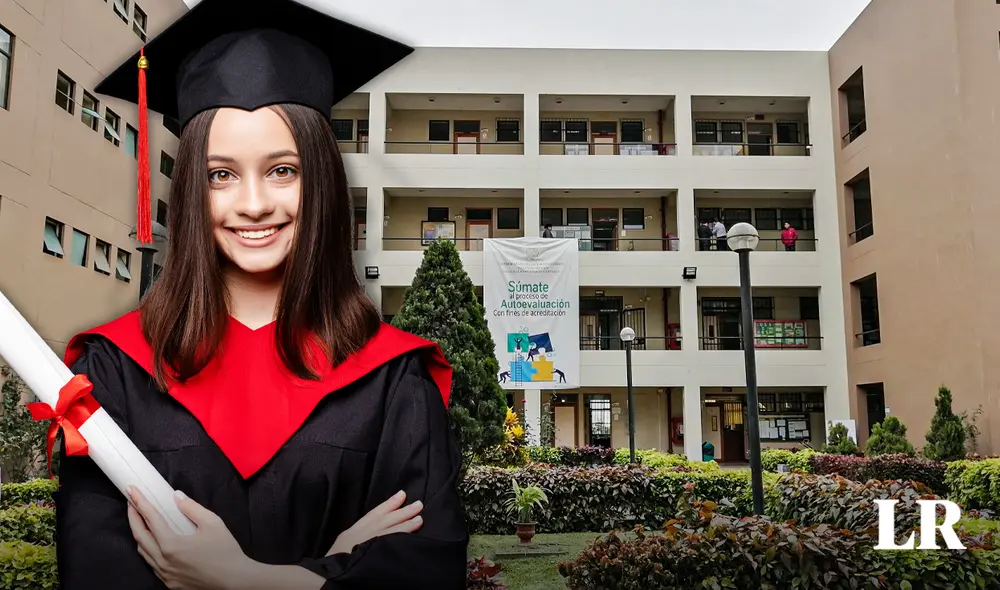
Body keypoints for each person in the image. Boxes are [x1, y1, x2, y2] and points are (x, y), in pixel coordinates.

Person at [52, 0, 469, 588]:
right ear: (193, 188)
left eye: (282, 170)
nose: (253, 204)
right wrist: (326, 572)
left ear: (320, 179)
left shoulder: (392, 379)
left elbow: (427, 574)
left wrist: (239, 577)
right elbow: (97, 573)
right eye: (222, 174)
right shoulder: (116, 373)